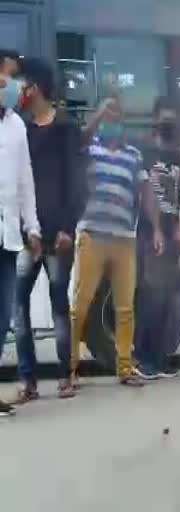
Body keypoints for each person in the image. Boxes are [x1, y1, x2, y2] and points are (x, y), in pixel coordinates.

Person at [66, 94, 164, 392]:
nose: (113, 121)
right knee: (80, 306)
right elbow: (78, 141)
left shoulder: (133, 155)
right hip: (92, 235)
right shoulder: (90, 150)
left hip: (124, 239)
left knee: (125, 308)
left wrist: (157, 228)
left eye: (116, 116)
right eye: (108, 115)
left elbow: (146, 193)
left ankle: (124, 368)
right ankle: (69, 369)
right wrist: (97, 117)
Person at [13, 58, 83, 402]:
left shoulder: (66, 128)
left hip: (58, 235)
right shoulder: (20, 129)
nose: (19, 91)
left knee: (58, 305)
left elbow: (76, 183)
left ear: (35, 88)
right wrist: (25, 227)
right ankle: (28, 380)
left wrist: (68, 227)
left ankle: (65, 376)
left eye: (23, 85)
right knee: (18, 304)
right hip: (29, 234)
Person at [132, 97, 180, 380]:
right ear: (155, 121)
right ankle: (144, 357)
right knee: (150, 298)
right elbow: (141, 191)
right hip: (149, 234)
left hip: (171, 237)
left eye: (173, 121)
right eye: (164, 120)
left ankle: (160, 358)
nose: (168, 125)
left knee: (170, 301)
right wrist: (156, 230)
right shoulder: (145, 153)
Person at [0, 67, 42, 416]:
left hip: (9, 236)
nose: (8, 85)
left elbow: (25, 180)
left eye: (10, 80)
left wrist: (34, 228)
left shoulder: (17, 126)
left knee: (3, 316)